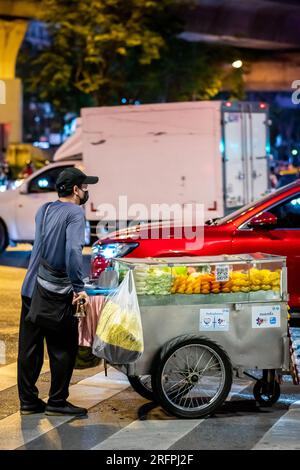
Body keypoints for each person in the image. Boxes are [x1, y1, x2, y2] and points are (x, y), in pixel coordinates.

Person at [18, 167, 99, 416]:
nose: (86, 191)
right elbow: (73, 252)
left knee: (29, 347)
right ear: (76, 190)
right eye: (85, 187)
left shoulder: (44, 209)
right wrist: (78, 288)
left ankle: (29, 402)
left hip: (30, 288)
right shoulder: (75, 213)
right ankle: (57, 401)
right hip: (54, 292)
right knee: (63, 347)